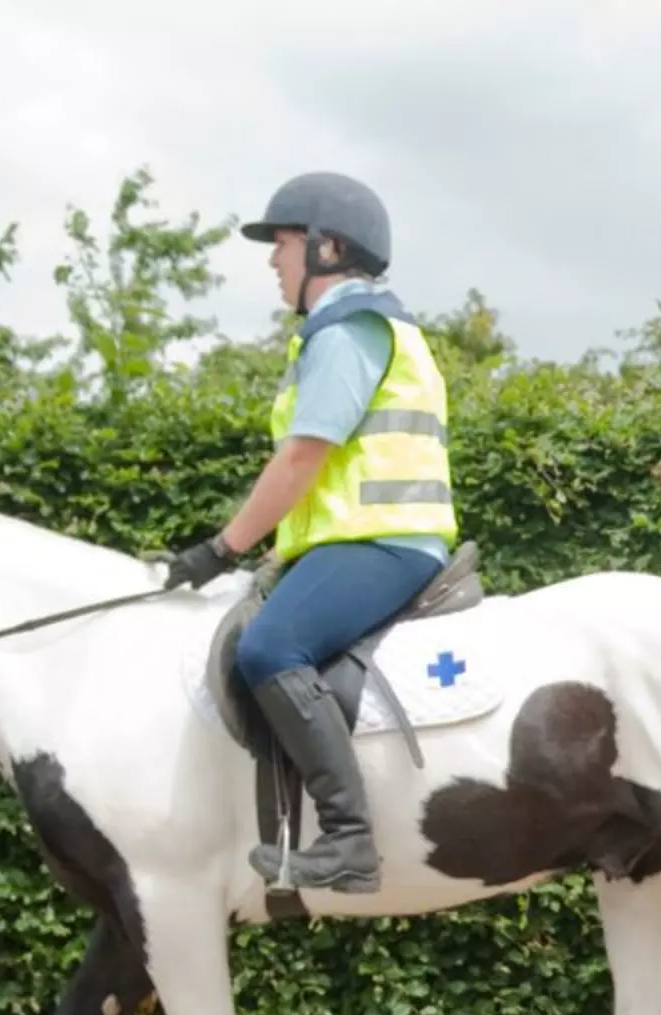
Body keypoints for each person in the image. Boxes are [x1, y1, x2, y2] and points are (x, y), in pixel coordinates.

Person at [161, 171, 458, 895]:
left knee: (270, 647)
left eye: (283, 244)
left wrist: (221, 547)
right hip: (364, 540)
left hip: (385, 543)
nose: (273, 261)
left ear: (327, 248)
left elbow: (302, 457)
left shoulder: (349, 330)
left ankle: (351, 839)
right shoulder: (352, 331)